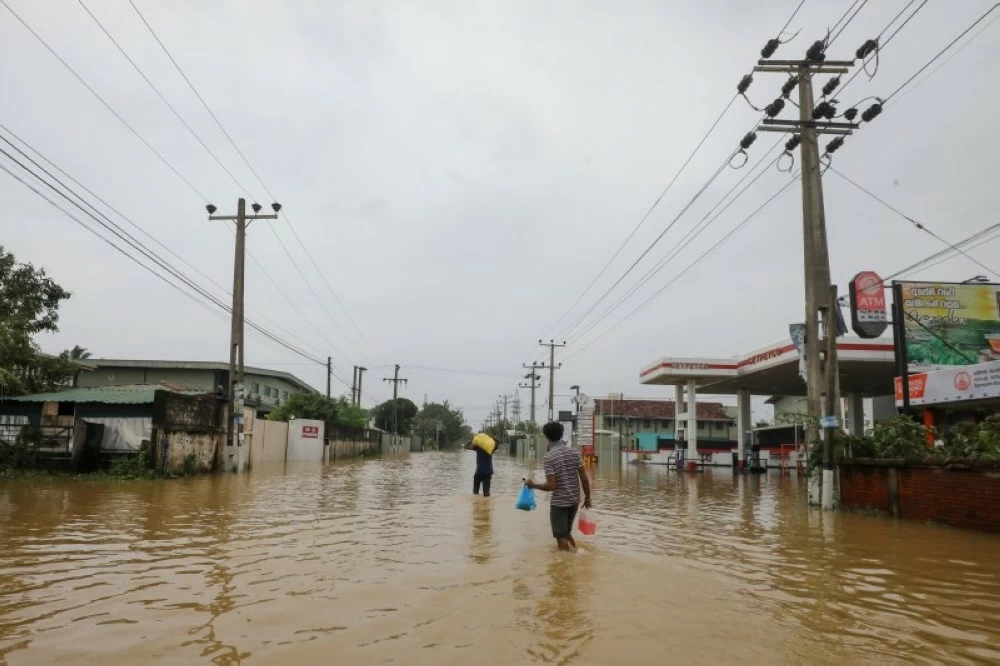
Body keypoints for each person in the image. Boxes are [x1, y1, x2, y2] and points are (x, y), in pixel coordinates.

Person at [525, 422, 592, 551]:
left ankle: (566, 561)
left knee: (561, 536)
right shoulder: (574, 453)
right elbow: (584, 479)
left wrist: (533, 485)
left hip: (560, 503)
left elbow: (551, 486)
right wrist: (588, 498)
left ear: (546, 437)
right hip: (574, 501)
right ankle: (575, 555)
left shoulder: (549, 457)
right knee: (566, 532)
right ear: (561, 435)